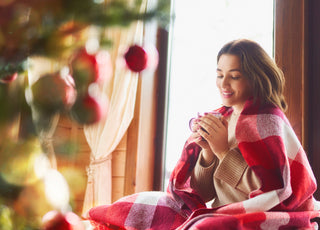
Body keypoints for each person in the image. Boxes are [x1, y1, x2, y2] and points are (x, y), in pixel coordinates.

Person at [189, 38, 286, 208]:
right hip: (220, 215)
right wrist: (208, 152)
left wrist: (223, 152)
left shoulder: (268, 122)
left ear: (256, 78)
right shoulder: (223, 118)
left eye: (234, 76)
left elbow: (271, 191)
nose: (223, 84)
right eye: (219, 75)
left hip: (252, 219)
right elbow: (202, 195)